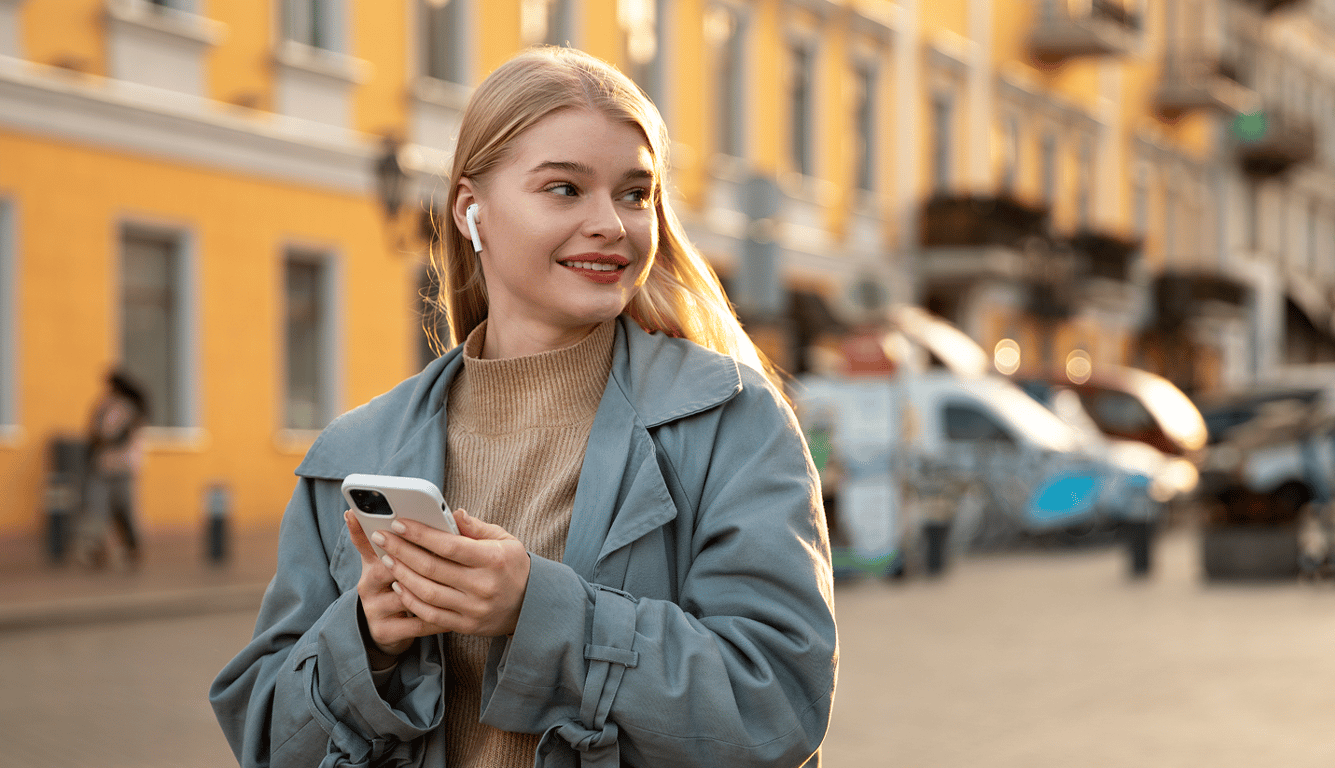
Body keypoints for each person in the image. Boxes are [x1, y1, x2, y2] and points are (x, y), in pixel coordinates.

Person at [210, 46, 837, 768]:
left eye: (636, 194)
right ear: (472, 211)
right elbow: (264, 740)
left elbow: (779, 706)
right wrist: (364, 640)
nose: (612, 224)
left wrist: (537, 612)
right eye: (565, 189)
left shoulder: (731, 420)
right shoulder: (355, 453)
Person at [78, 369, 148, 568]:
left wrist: (104, 439)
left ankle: (132, 546)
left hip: (123, 467)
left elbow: (122, 436)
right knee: (96, 507)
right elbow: (93, 431)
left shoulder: (131, 408)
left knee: (123, 509)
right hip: (101, 466)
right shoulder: (103, 405)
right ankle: (97, 549)